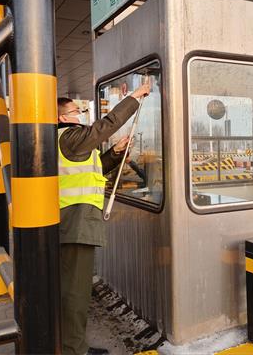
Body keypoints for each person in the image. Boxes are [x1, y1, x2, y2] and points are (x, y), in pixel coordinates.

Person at [57, 82, 150, 355]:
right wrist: (134, 97)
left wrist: (115, 153)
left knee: (72, 287)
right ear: (63, 117)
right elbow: (105, 126)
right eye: (76, 111)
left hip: (72, 221)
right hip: (75, 222)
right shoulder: (68, 136)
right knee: (76, 291)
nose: (80, 115)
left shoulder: (70, 143)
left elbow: (95, 168)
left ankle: (70, 343)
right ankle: (73, 349)